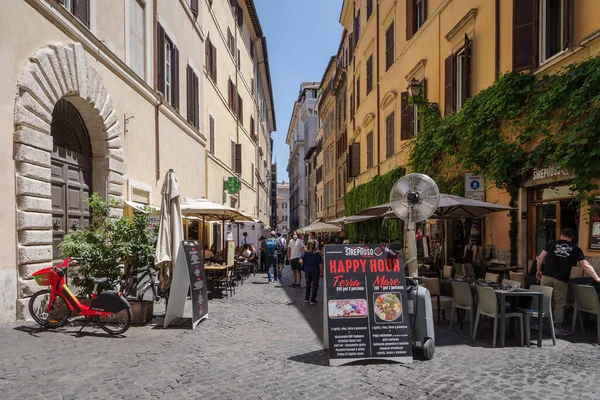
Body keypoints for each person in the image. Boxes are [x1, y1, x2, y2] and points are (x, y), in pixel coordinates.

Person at [536, 228, 600, 334]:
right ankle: (557, 326)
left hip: (546, 276)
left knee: (544, 300)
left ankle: (540, 323)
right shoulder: (575, 249)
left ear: (561, 236)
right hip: (561, 279)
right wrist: (596, 278)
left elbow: (540, 258)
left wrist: (538, 270)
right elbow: (585, 265)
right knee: (559, 303)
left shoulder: (551, 244)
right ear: (572, 238)